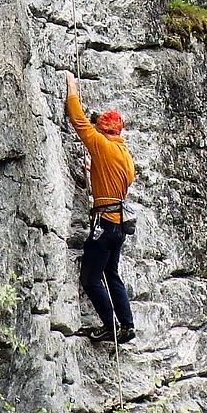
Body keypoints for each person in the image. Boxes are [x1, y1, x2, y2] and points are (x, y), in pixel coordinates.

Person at [63, 71, 136, 344]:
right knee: (111, 273)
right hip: (119, 224)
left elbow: (78, 121)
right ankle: (127, 325)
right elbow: (114, 181)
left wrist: (72, 87)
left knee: (91, 278)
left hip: (104, 224)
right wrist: (94, 172)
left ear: (104, 130)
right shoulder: (125, 156)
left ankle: (110, 326)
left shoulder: (102, 145)